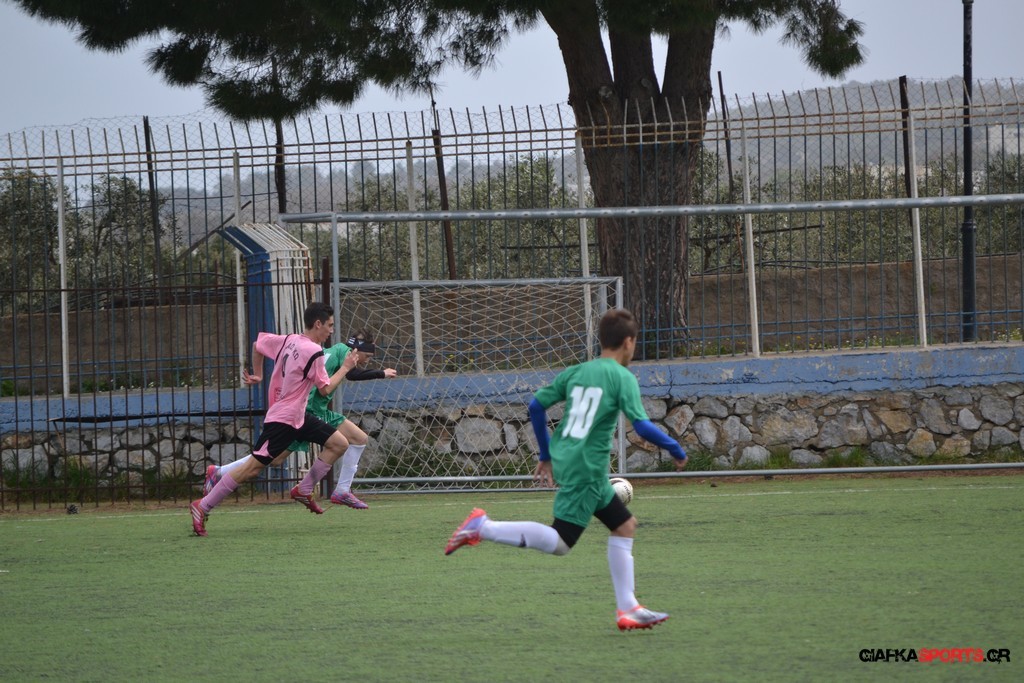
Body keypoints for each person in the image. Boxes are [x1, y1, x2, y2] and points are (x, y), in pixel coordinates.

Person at [443, 308, 688, 631]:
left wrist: (546, 454)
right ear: (629, 342)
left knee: (624, 526)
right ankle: (483, 527)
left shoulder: (577, 372)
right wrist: (675, 448)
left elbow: (536, 405)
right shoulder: (622, 377)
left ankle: (628, 607)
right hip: (587, 466)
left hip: (573, 460)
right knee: (561, 542)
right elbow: (641, 426)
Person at [189, 301, 358, 536]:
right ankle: (203, 505)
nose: (332, 330)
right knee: (252, 469)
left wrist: (258, 374)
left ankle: (304, 489)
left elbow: (258, 345)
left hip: (300, 416)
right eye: (330, 325)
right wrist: (346, 367)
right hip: (284, 419)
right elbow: (325, 390)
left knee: (339, 443)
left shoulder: (290, 340)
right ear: (318, 324)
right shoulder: (314, 352)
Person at [204, 328, 397, 509]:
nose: (367, 361)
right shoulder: (345, 353)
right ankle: (220, 473)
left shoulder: (338, 350)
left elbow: (258, 345)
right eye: (367, 356)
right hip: (308, 411)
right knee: (274, 458)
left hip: (317, 409)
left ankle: (341, 490)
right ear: (356, 349)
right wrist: (382, 373)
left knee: (359, 439)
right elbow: (353, 375)